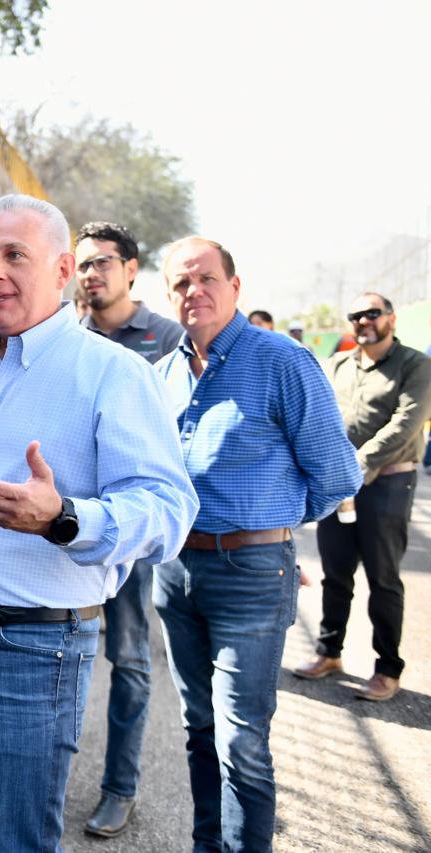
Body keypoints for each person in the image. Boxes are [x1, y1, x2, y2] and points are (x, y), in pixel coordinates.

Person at [0, 194, 197, 851]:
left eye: (13, 254)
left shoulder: (113, 374)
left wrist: (66, 517)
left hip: (26, 654)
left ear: (60, 270)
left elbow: (169, 511)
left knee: (15, 841)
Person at [154, 237, 362, 852]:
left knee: (241, 741)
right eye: (181, 284)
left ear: (235, 287)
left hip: (251, 574)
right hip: (175, 571)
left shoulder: (282, 362)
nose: (195, 292)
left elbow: (337, 474)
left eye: (206, 278)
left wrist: (271, 531)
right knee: (198, 728)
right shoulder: (160, 376)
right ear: (169, 297)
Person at [73, 221, 184, 838]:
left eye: (104, 262)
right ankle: (49, 770)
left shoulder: (166, 340)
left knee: (131, 662)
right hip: (71, 533)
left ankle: (120, 787)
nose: (92, 273)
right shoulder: (70, 335)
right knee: (64, 656)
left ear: (132, 268)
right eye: (83, 264)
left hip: (134, 539)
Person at [294, 293, 431, 701]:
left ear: (390, 318)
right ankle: (329, 653)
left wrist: (353, 464)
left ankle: (388, 668)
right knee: (336, 575)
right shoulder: (337, 364)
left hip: (387, 483)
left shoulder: (415, 365)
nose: (364, 321)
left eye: (372, 313)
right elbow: (317, 418)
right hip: (338, 487)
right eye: (355, 315)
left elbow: (407, 423)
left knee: (383, 579)